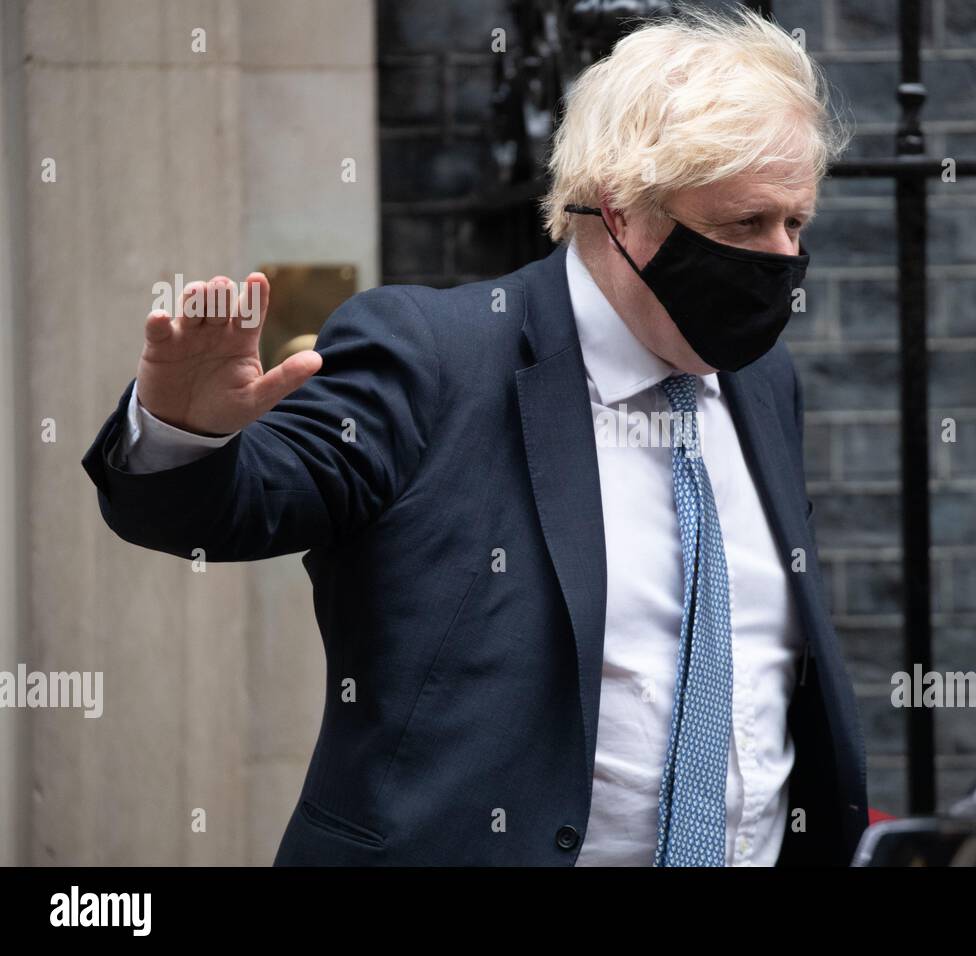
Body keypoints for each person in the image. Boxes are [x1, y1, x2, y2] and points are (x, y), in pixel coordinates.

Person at [81, 5, 867, 866]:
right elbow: (238, 508)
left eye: (797, 224)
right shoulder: (432, 355)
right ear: (618, 208)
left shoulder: (761, 380)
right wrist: (185, 431)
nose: (783, 259)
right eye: (744, 225)